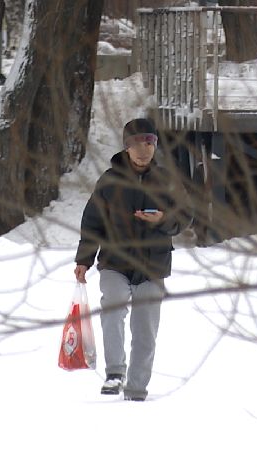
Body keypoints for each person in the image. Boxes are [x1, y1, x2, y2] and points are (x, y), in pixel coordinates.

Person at [74, 118, 182, 402]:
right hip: (115, 261)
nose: (144, 149)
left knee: (145, 328)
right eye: (137, 143)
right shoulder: (110, 181)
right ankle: (114, 372)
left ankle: (136, 389)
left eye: (149, 143)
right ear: (127, 147)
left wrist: (164, 219)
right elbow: (92, 222)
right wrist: (84, 259)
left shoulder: (167, 181)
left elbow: (185, 216)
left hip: (153, 265)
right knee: (113, 306)